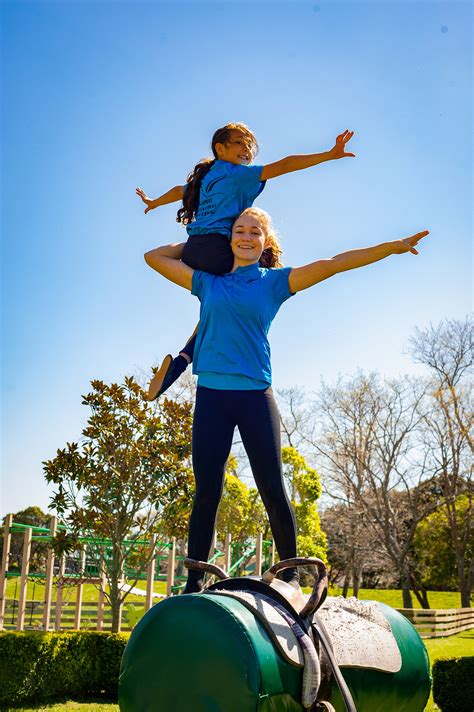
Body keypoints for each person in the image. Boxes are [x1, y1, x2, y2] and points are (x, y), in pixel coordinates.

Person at [144, 206, 429, 593]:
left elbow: (334, 264)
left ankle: (290, 575)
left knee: (272, 485)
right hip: (212, 395)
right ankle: (194, 579)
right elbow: (154, 257)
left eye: (254, 231)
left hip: (255, 395)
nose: (245, 236)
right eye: (239, 230)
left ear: (265, 242)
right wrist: (202, 242)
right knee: (207, 489)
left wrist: (393, 247)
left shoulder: (274, 283)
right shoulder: (206, 283)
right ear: (229, 239)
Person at [137, 122, 355, 400]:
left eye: (249, 144)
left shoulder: (205, 177)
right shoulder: (239, 174)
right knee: (241, 294)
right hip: (218, 250)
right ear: (221, 148)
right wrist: (327, 155)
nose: (247, 149)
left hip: (193, 250)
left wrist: (155, 202)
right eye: (239, 142)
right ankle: (181, 361)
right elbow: (285, 165)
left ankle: (181, 360)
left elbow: (180, 190)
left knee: (213, 307)